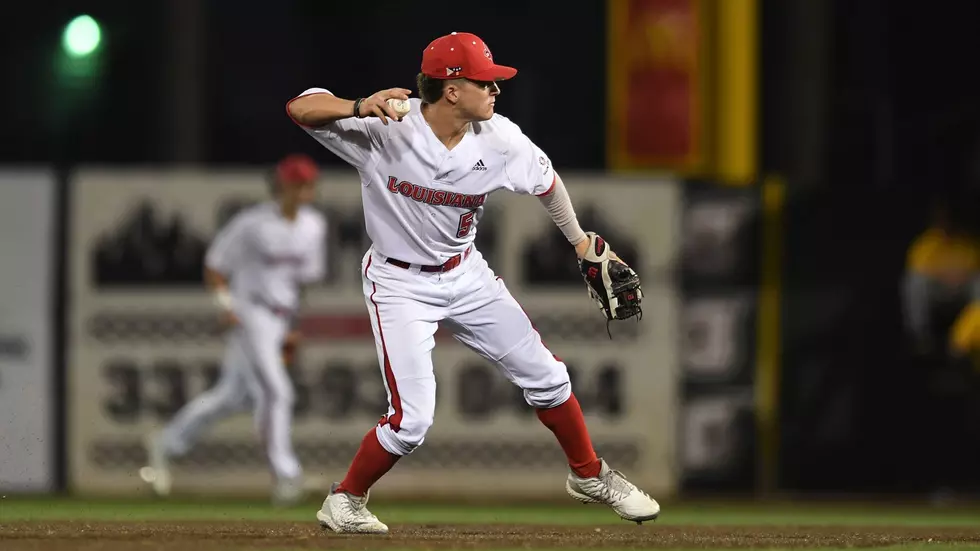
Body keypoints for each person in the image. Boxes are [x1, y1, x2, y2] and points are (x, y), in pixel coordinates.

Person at [286, 31, 660, 534]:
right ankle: (345, 499)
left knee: (550, 378)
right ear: (452, 88)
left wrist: (578, 241)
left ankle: (590, 475)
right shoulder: (388, 125)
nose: (496, 90)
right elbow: (300, 107)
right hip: (399, 283)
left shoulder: (500, 138)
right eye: (486, 82)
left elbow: (548, 184)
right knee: (412, 422)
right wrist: (357, 104)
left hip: (465, 273)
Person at [141, 153, 328, 506]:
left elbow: (302, 283)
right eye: (299, 183)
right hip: (250, 313)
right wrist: (226, 307)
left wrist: (293, 327)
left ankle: (165, 443)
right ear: (282, 185)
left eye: (309, 183)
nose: (306, 189)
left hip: (280, 317)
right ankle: (287, 478)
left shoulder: (314, 225)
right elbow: (214, 266)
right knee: (277, 392)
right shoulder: (252, 223)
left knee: (231, 396)